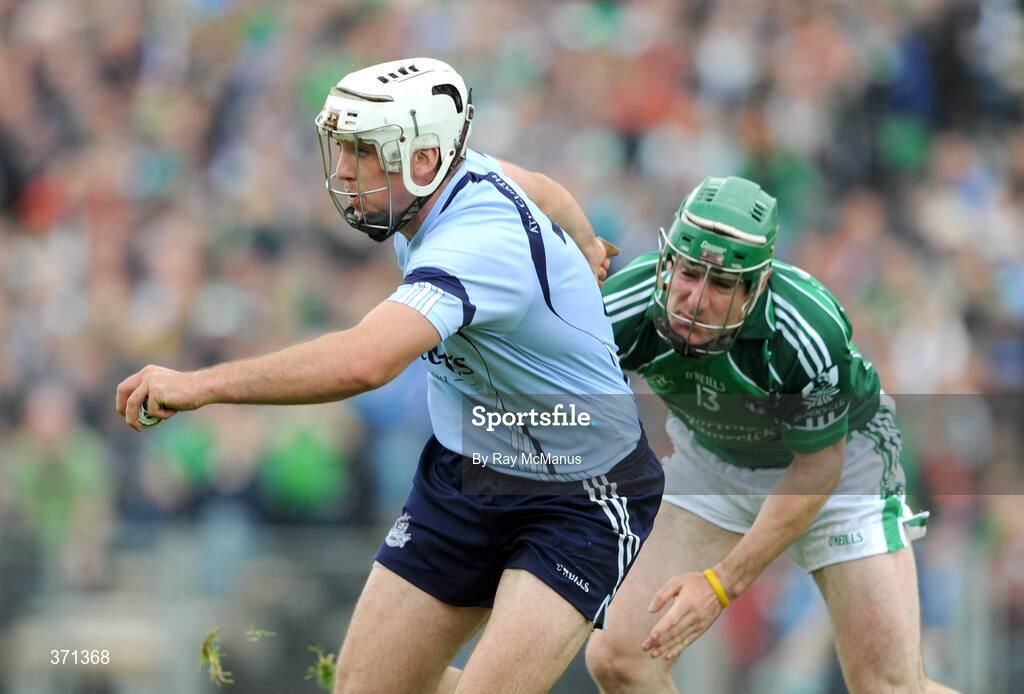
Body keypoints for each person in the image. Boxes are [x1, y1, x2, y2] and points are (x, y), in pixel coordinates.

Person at [115, 58, 663, 693]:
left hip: (581, 495)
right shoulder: (452, 179)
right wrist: (588, 244)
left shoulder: (478, 242)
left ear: (424, 159)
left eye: (363, 152)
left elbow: (364, 361)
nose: (343, 171)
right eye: (341, 148)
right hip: (466, 473)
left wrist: (199, 386)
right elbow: (541, 185)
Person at [585, 176, 955, 693]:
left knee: (887, 687)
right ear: (668, 262)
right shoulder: (623, 307)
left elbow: (820, 466)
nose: (694, 300)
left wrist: (721, 584)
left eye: (720, 285)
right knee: (619, 657)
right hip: (715, 460)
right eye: (690, 273)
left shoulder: (805, 329)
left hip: (841, 471)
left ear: (756, 287)